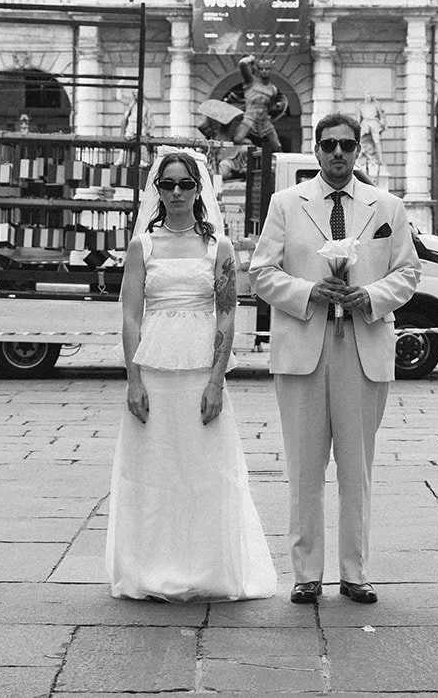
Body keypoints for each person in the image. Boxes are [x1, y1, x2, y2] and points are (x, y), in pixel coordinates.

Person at [251, 113, 421, 606]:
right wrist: (308, 290)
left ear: (358, 150)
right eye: (329, 145)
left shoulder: (387, 206)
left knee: (356, 469)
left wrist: (371, 296)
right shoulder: (287, 203)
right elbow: (261, 272)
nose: (339, 153)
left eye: (347, 145)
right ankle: (306, 574)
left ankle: (355, 572)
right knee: (304, 470)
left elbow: (408, 272)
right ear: (317, 150)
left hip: (363, 346)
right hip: (304, 345)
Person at [105, 150, 276, 602]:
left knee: (206, 471)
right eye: (168, 185)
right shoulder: (142, 246)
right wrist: (134, 380)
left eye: (185, 184)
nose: (177, 192)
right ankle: (150, 566)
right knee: (154, 472)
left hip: (202, 370)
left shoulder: (218, 248)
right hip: (155, 372)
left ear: (199, 189)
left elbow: (225, 316)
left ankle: (207, 568)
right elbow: (130, 316)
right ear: (156, 190)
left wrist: (217, 380)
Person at [235, 55, 283, 156]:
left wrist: (277, 107)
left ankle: (278, 164)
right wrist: (251, 58)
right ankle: (255, 148)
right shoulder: (251, 81)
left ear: (271, 71)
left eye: (267, 69)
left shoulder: (273, 89)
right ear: (258, 70)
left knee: (277, 146)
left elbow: (269, 107)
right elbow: (242, 64)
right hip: (250, 117)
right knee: (238, 139)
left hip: (264, 120)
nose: (264, 71)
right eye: (261, 69)